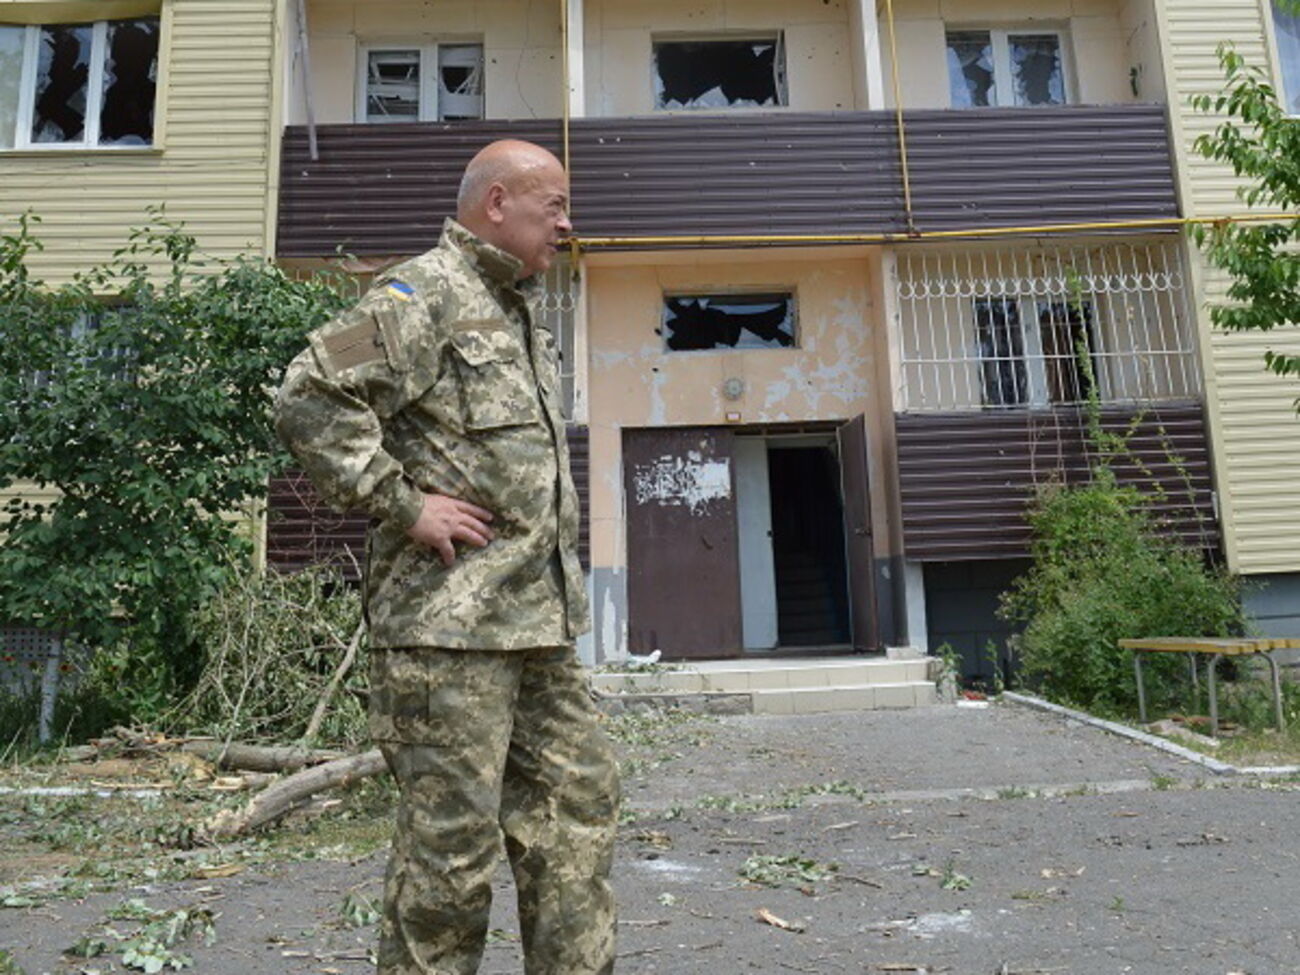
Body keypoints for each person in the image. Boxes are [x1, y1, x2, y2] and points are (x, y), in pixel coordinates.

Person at [274, 140, 619, 975]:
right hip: (446, 633)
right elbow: (311, 390)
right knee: (451, 858)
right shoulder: (417, 294)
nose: (568, 226)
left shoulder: (517, 308)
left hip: (537, 625)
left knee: (578, 817)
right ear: (497, 204)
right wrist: (403, 500)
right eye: (555, 209)